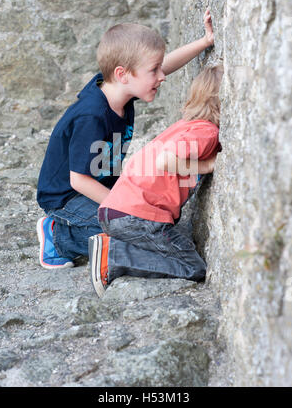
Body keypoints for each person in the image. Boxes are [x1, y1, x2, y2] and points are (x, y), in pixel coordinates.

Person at [36, 10, 215, 270]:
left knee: (149, 221)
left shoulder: (121, 88)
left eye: (158, 69)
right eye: (154, 71)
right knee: (127, 230)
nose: (161, 76)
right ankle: (60, 236)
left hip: (101, 180)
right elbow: (78, 180)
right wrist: (124, 206)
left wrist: (205, 42)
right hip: (68, 196)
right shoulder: (92, 116)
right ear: (123, 74)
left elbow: (166, 65)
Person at [89, 65, 223, 297]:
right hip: (136, 217)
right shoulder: (207, 132)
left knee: (176, 244)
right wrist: (208, 166)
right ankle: (113, 256)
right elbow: (165, 162)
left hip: (118, 211)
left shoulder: (184, 126)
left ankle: (114, 248)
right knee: (194, 267)